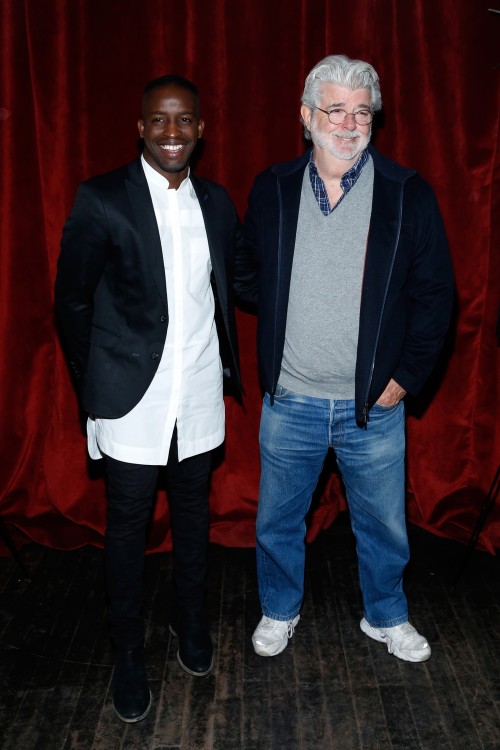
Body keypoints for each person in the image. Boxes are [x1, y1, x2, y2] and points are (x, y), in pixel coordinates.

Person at [243, 55, 454, 663]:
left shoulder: (407, 193)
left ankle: (387, 615)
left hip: (374, 404)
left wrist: (406, 379)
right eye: (334, 109)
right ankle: (279, 610)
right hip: (292, 397)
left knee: (384, 527)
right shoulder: (273, 187)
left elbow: (437, 296)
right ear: (307, 116)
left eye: (361, 111)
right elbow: (246, 268)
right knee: (276, 523)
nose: (348, 122)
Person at [55, 75, 245, 723]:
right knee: (128, 531)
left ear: (200, 130)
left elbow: (238, 284)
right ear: (141, 128)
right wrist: (97, 385)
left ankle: (190, 627)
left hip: (197, 395)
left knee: (195, 521)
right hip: (130, 402)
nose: (172, 132)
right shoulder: (101, 198)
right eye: (160, 121)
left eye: (184, 120)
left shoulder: (217, 202)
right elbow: (72, 303)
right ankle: (127, 654)